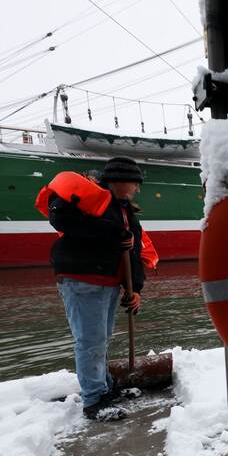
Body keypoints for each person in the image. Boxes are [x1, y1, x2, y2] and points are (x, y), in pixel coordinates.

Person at [42, 157, 148, 420]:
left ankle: (104, 388)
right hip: (83, 280)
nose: (138, 189)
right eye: (135, 183)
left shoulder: (125, 211)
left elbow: (133, 251)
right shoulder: (86, 199)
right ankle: (93, 401)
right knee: (90, 342)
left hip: (108, 283)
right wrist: (113, 232)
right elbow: (61, 217)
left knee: (100, 340)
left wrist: (135, 289)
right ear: (120, 180)